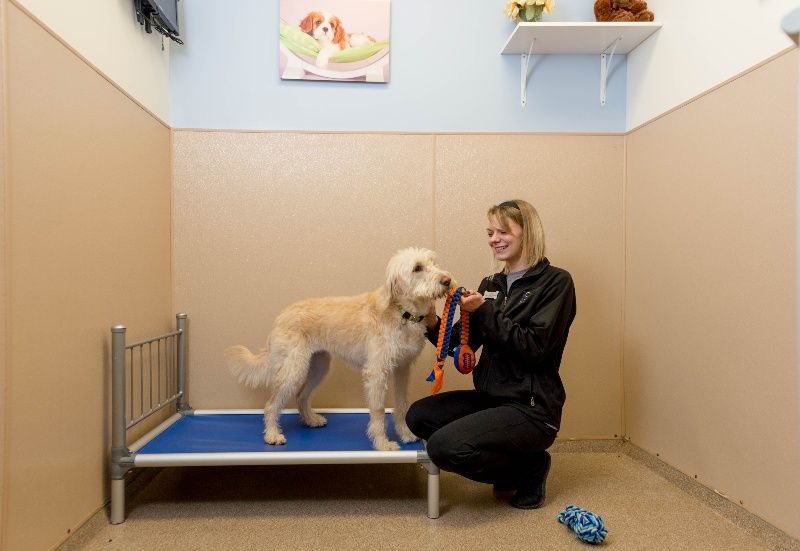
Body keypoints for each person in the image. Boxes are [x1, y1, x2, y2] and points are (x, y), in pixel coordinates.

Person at [406, 199, 576, 509]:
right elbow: (460, 343)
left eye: (502, 231)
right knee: (418, 416)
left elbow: (534, 348)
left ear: (527, 233)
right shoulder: (491, 284)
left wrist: (485, 311)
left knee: (444, 448)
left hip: (532, 407)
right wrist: (429, 317)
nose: (493, 239)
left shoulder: (556, 283)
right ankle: (514, 464)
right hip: (491, 399)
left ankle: (530, 468)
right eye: (489, 232)